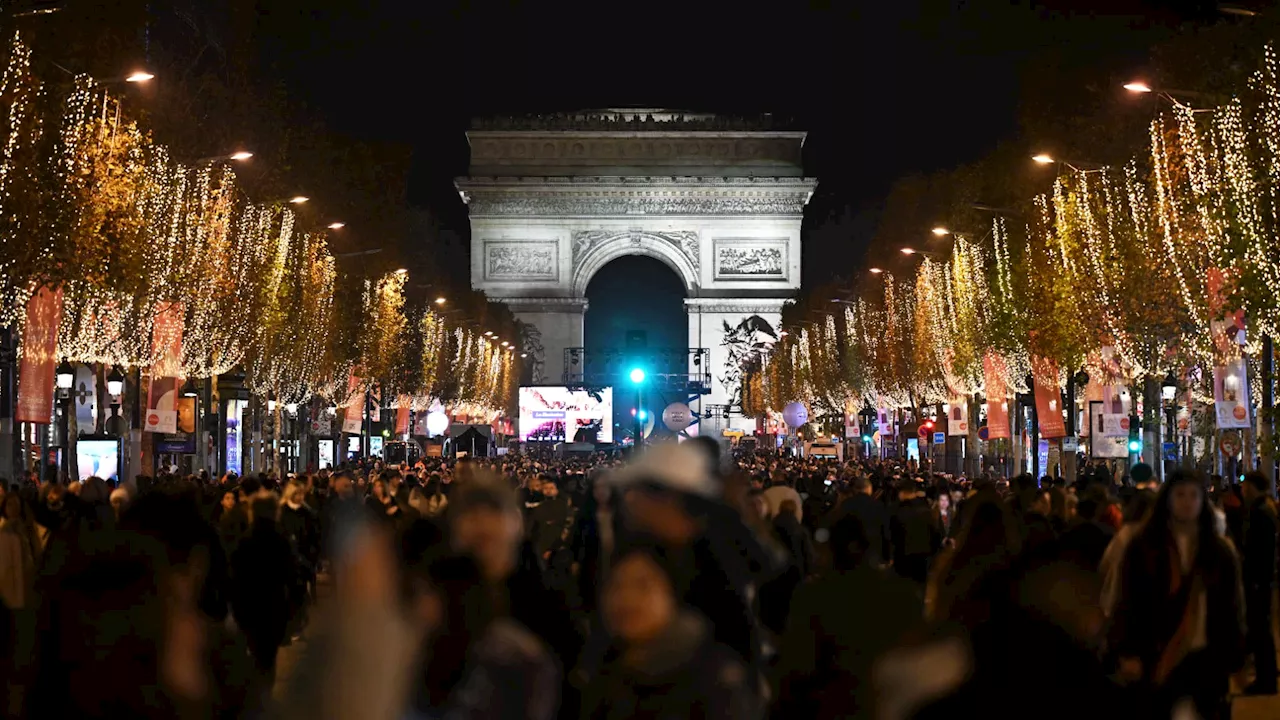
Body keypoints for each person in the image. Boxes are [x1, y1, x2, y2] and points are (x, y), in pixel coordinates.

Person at [1110, 470, 1246, 719]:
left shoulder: (1219, 551)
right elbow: (1129, 601)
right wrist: (1126, 650)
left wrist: (1236, 658)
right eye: (1180, 494)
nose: (1187, 501)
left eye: (1194, 495)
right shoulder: (1145, 548)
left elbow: (1232, 606)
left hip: (1207, 657)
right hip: (1157, 654)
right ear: (1167, 500)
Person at [579, 543, 760, 720]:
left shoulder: (713, 678)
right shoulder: (603, 670)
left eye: (643, 585)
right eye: (616, 586)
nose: (627, 598)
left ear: (672, 594)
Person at [1239, 470, 1277, 695]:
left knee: (1260, 630)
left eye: (1245, 487)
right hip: (1261, 580)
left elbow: (1258, 550)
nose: (1243, 491)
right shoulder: (1265, 508)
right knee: (1261, 630)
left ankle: (1266, 679)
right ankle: (1266, 675)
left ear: (1253, 487)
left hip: (1257, 581)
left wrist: (1253, 580)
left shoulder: (1261, 512)